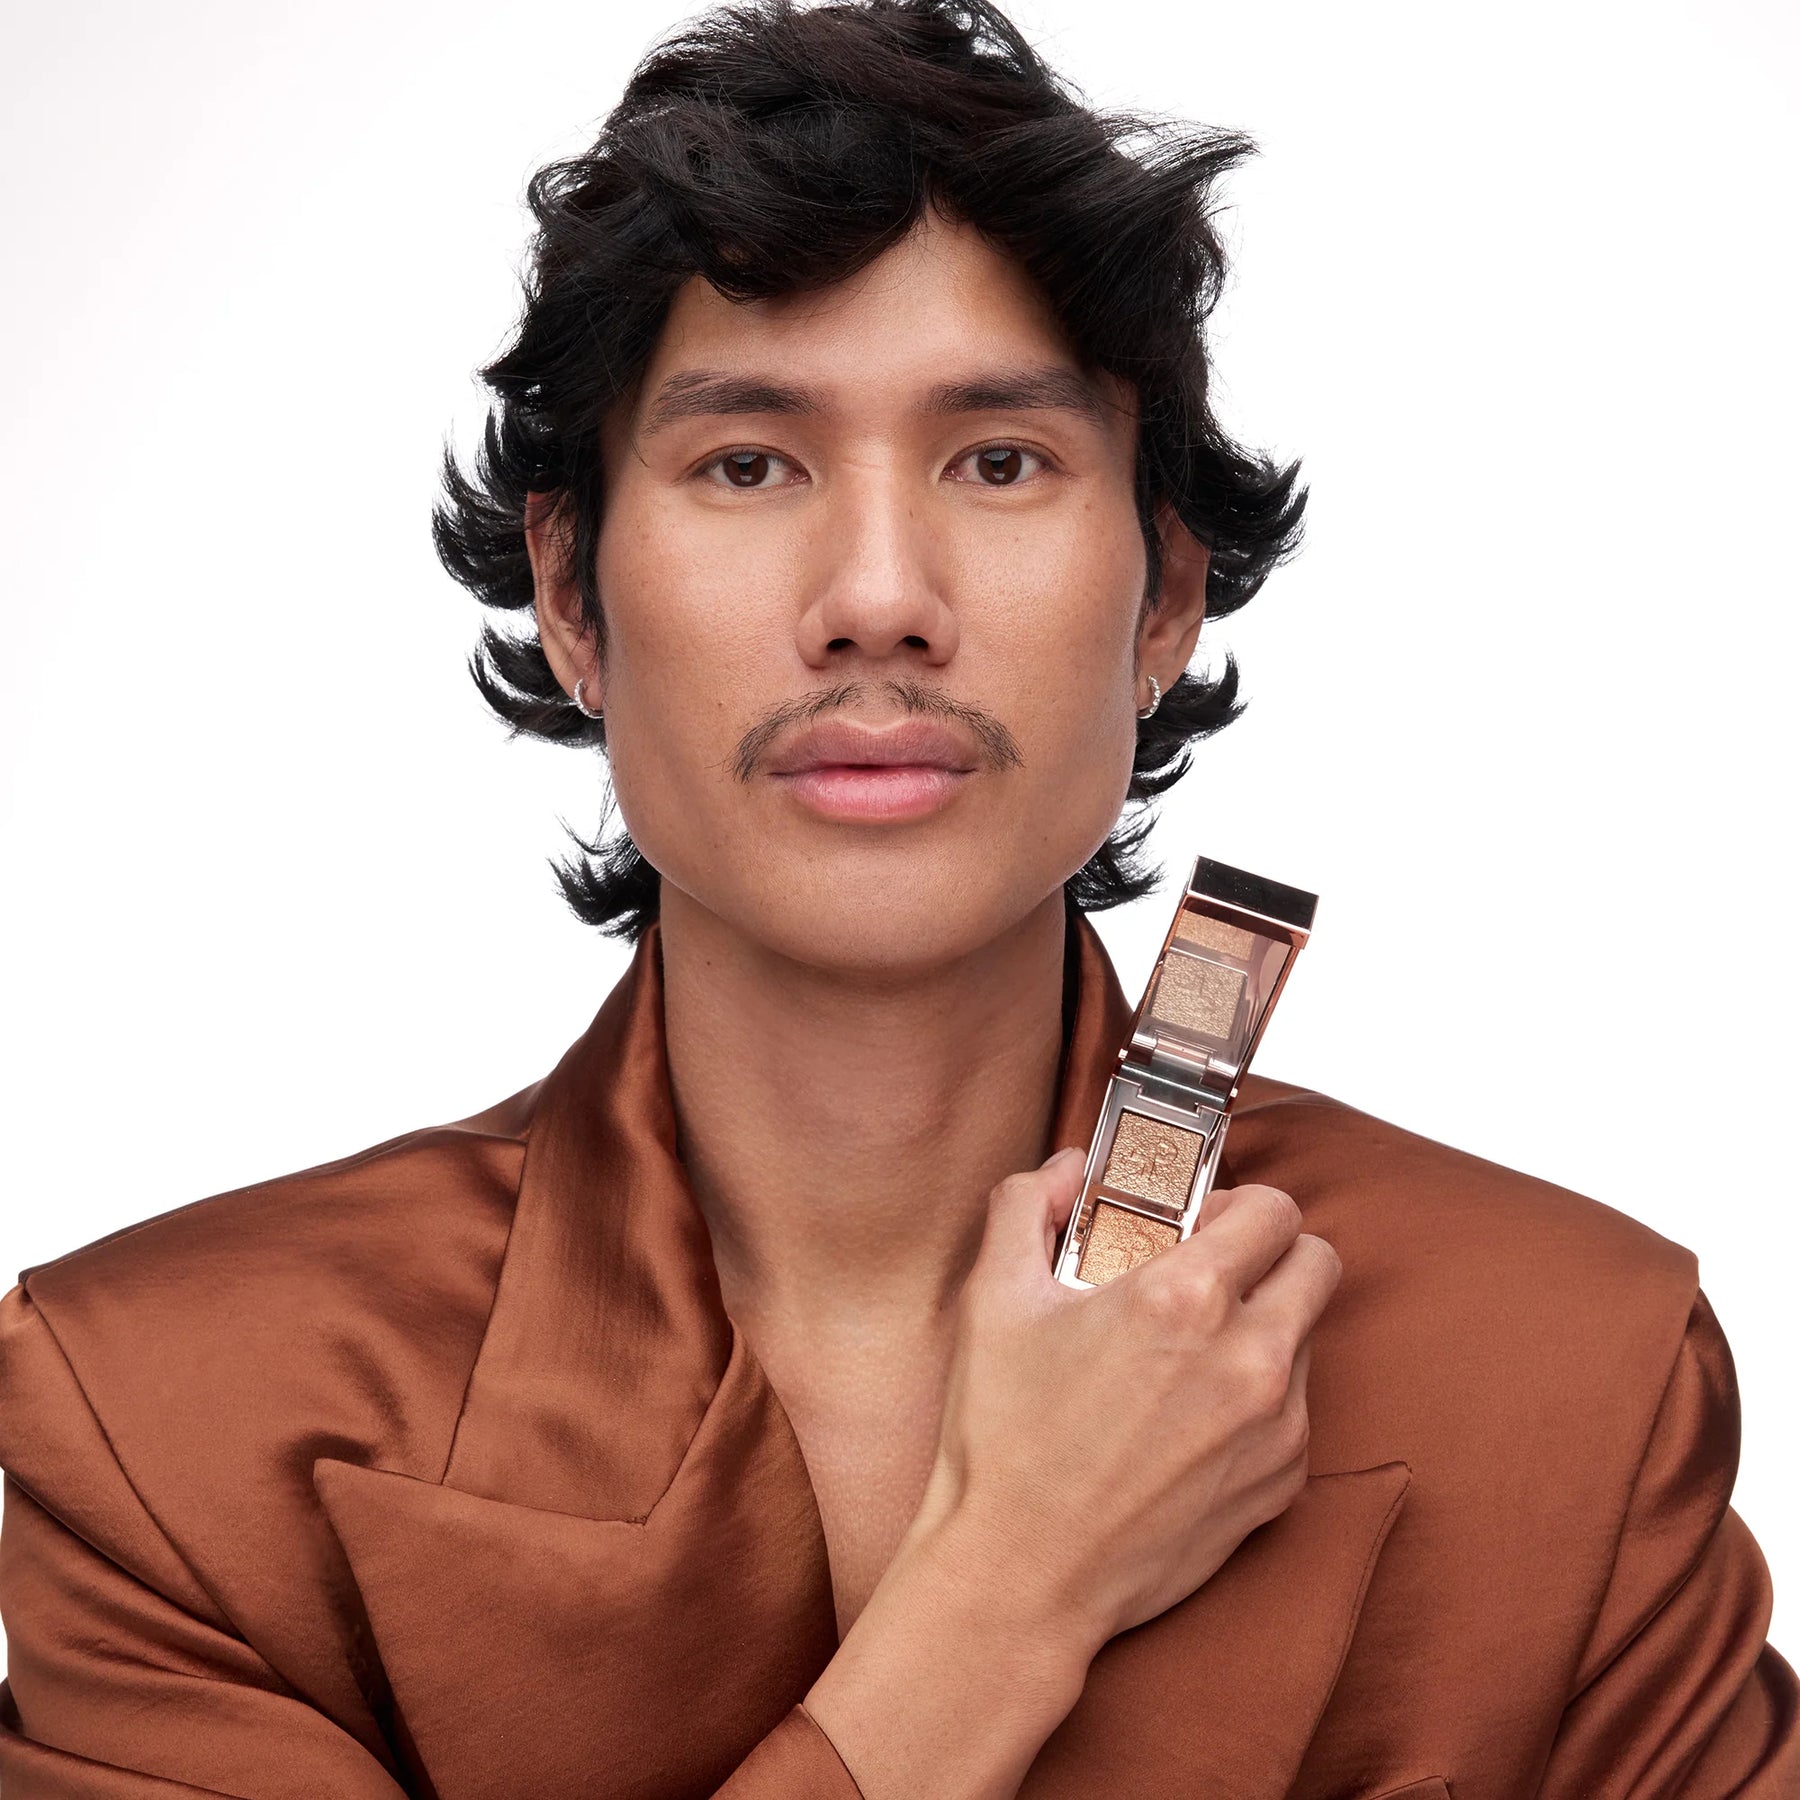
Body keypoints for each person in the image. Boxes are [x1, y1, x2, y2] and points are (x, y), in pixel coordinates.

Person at [1, 0, 1791, 1794]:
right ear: (568, 590)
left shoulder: (1572, 1372)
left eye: (1000, 461)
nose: (877, 598)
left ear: (1167, 596)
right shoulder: (163, 1422)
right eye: (748, 464)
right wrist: (1016, 1587)